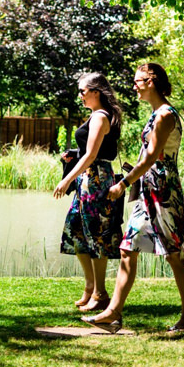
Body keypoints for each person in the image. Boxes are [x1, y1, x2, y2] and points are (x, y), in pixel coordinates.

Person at [85, 62, 184, 335]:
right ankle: (113, 313)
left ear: (152, 81)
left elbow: (151, 158)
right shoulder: (154, 114)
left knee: (174, 255)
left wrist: (124, 183)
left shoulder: (165, 115)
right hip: (149, 190)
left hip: (163, 191)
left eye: (138, 81)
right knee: (127, 248)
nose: (134, 86)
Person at [54, 72, 125, 312]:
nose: (80, 96)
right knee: (75, 232)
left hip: (96, 180)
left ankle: (100, 293)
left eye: (83, 91)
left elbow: (92, 155)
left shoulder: (100, 117)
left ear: (95, 91)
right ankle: (90, 287)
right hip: (88, 177)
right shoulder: (95, 116)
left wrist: (67, 180)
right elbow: (88, 150)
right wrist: (73, 154)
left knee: (96, 235)